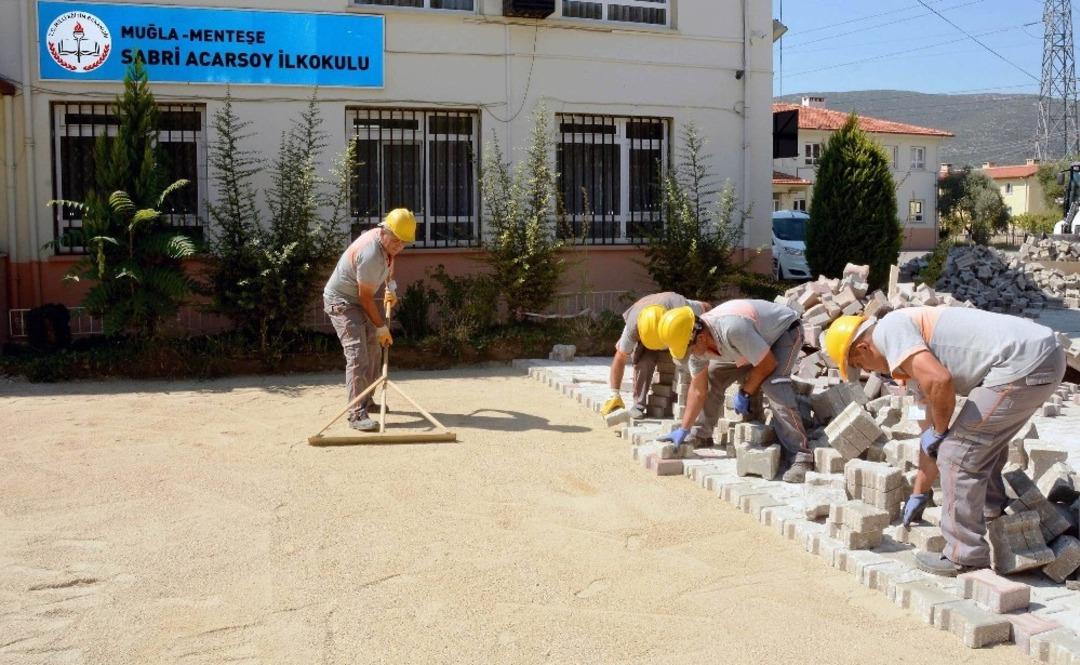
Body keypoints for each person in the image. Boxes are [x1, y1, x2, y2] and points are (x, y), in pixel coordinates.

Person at [822, 308, 1065, 576]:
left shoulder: (890, 329)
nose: (869, 372)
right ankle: (995, 520)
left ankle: (965, 554)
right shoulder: (910, 366)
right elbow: (929, 440)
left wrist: (940, 433)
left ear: (863, 348)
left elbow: (940, 381)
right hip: (1041, 357)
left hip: (1023, 363)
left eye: (861, 366)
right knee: (978, 448)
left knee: (958, 453)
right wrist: (919, 491)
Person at [655, 300, 814, 482]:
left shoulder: (732, 329)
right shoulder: (696, 342)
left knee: (773, 384)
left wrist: (745, 391)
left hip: (784, 333)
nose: (689, 355)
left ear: (700, 338)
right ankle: (701, 433)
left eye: (688, 350)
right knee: (713, 375)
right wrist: (684, 428)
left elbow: (768, 363)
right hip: (750, 343)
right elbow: (698, 390)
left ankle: (801, 455)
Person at [323, 209, 416, 431]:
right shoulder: (371, 252)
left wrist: (390, 287)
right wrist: (381, 326)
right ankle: (356, 414)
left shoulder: (387, 246)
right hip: (342, 302)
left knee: (374, 350)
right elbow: (365, 298)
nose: (398, 246)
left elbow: (389, 264)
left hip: (357, 299)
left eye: (404, 243)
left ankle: (367, 399)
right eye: (396, 240)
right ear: (384, 230)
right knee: (358, 355)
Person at [600, 293, 709, 420]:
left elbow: (706, 307)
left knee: (692, 357)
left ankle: (695, 402)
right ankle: (638, 405)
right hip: (647, 335)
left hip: (676, 332)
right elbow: (620, 357)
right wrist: (614, 394)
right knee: (644, 361)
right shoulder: (633, 326)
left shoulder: (681, 309)